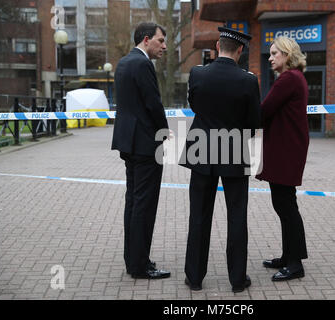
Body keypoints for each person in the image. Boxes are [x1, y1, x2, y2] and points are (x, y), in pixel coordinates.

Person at [180, 27, 261, 293]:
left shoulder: (198, 73)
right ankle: (238, 280)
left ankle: (194, 277)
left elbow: (194, 106)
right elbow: (253, 122)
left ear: (217, 46)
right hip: (235, 150)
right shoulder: (248, 80)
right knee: (237, 216)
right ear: (240, 50)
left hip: (201, 150)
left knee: (199, 216)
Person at [111, 22, 170, 280]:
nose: (164, 46)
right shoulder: (143, 64)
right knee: (144, 204)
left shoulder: (124, 62)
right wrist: (165, 131)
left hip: (128, 142)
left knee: (133, 202)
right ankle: (140, 265)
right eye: (160, 41)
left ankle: (132, 259)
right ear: (147, 40)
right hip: (146, 144)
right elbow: (153, 103)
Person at [256, 36, 309, 281]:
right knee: (285, 205)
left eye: (275, 53)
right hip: (287, 149)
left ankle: (295, 263)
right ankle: (289, 256)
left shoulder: (288, 79)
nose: (270, 57)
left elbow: (264, 111)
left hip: (286, 151)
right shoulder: (294, 78)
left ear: (287, 55)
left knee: (286, 207)